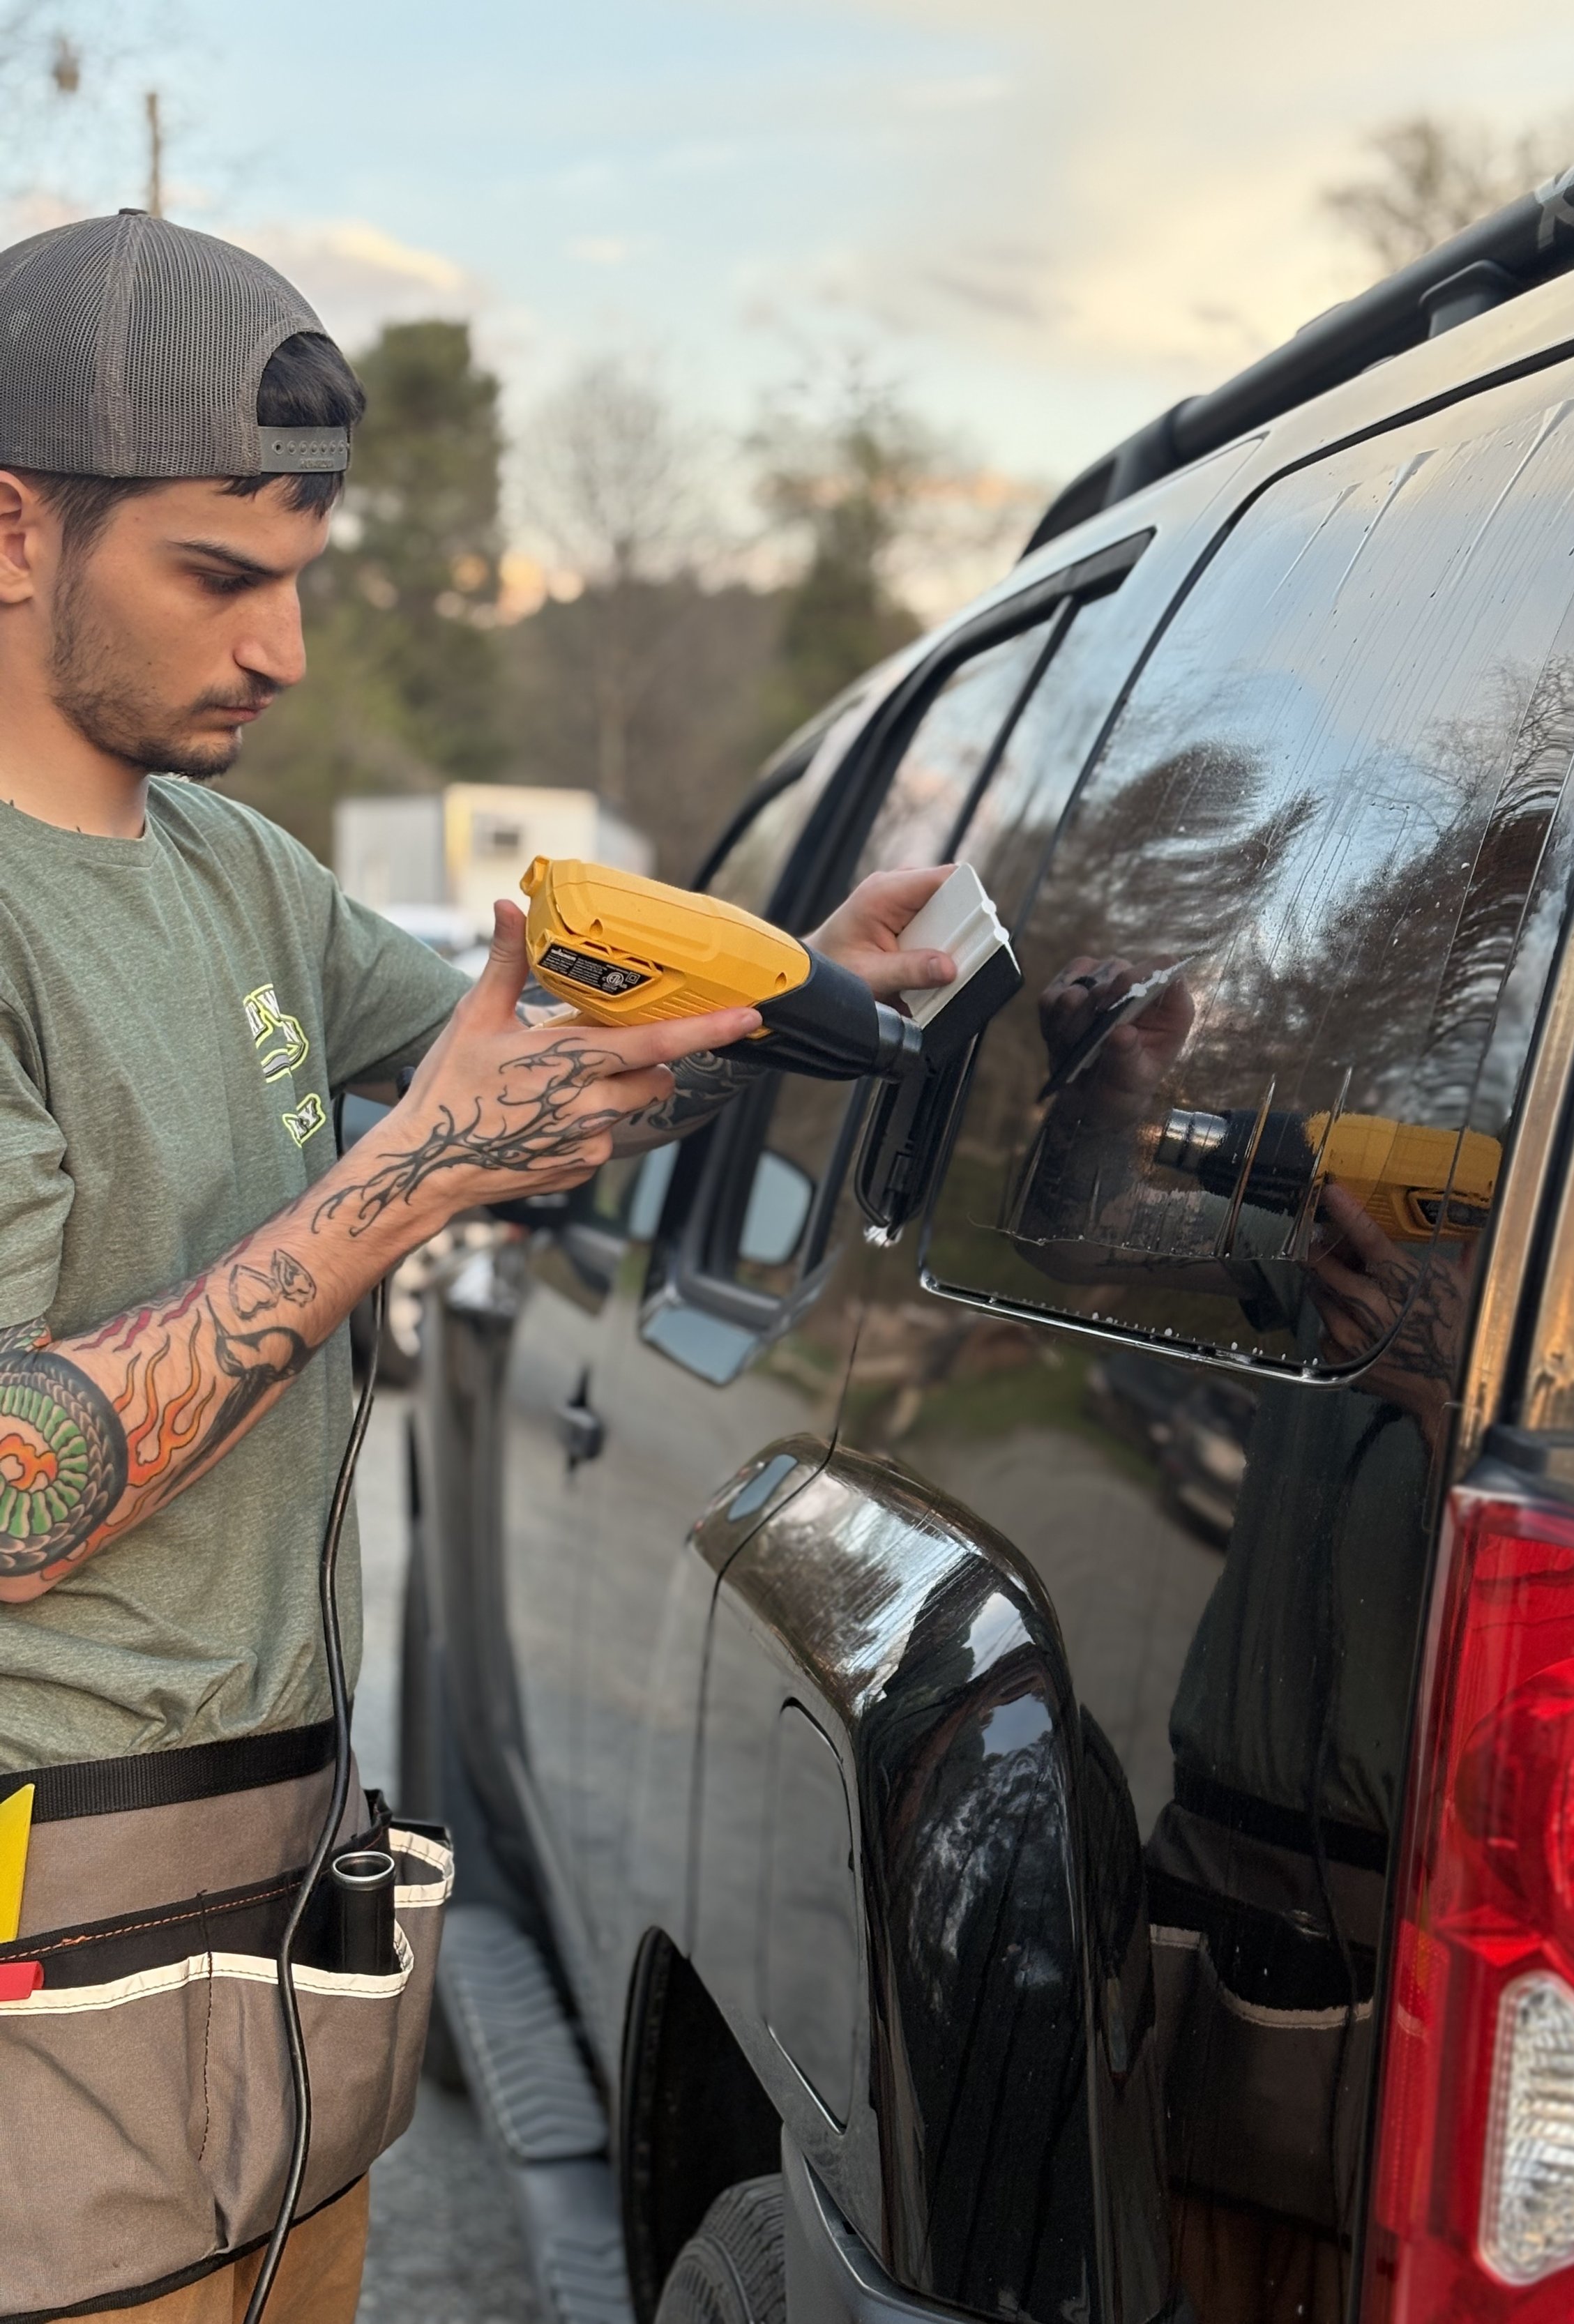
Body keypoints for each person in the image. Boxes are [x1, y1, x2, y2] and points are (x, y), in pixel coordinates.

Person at [0, 211, 955, 2324]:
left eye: (301, 584)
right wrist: (412, 1174)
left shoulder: (228, 861)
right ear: (11, 533)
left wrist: (795, 1006)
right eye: (218, 578)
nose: (283, 654)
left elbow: (513, 1105)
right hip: (42, 1939)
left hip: (266, 1906)